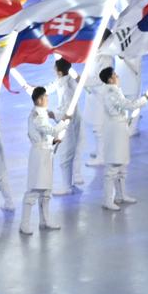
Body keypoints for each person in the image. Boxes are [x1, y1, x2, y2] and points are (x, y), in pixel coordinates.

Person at [97, 65, 143, 210]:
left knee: (122, 164)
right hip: (115, 131)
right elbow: (127, 105)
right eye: (115, 75)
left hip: (121, 129)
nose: (118, 77)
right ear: (110, 79)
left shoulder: (116, 91)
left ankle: (121, 195)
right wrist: (143, 100)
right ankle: (107, 199)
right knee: (113, 166)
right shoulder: (111, 94)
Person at [22, 84, 64, 234]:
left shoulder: (42, 114)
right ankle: (24, 224)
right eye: (45, 96)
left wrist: (52, 141)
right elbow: (50, 130)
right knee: (34, 190)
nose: (47, 98)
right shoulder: (37, 116)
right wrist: (64, 122)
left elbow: (46, 136)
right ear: (39, 100)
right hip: (39, 155)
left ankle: (45, 221)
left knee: (46, 191)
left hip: (46, 153)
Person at [52, 57, 87, 195]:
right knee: (71, 154)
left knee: (66, 156)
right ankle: (70, 184)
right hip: (75, 122)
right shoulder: (66, 81)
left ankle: (66, 186)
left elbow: (65, 112)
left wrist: (51, 114)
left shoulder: (66, 88)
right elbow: (52, 86)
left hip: (69, 125)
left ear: (59, 72)